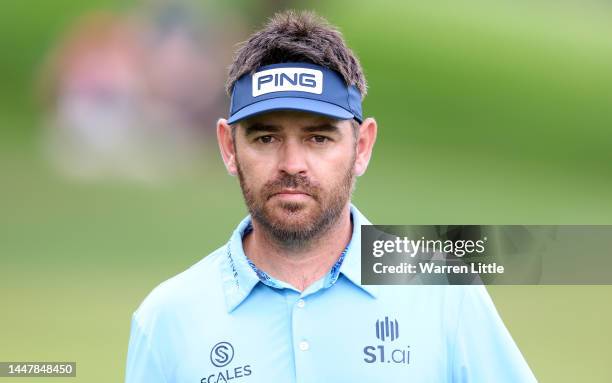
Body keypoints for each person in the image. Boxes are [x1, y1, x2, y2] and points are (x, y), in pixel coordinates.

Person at [125, 10, 537, 382]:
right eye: (266, 137)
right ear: (229, 148)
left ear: (362, 147)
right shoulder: (167, 319)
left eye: (319, 138)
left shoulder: (445, 293)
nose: (292, 163)